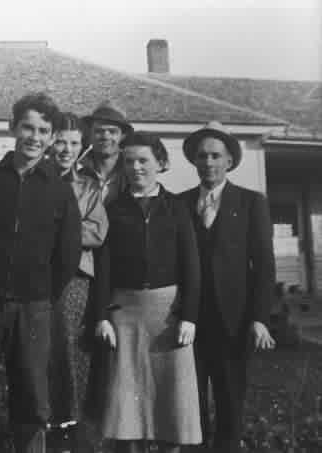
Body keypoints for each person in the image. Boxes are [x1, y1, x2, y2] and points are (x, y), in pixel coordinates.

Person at [0, 92, 81, 453]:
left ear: (52, 137)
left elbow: (67, 255)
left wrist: (39, 295)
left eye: (43, 130)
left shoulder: (59, 192)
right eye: (28, 127)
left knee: (31, 400)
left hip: (33, 308)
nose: (35, 137)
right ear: (12, 128)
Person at [94, 131, 202, 453]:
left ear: (160, 163)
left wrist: (189, 317)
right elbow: (105, 268)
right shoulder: (113, 209)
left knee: (172, 404)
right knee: (127, 405)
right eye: (129, 161)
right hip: (125, 316)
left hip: (169, 315)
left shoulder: (178, 208)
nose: (136, 167)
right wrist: (101, 317)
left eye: (143, 160)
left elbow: (192, 266)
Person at [179, 121, 276, 453]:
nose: (208, 162)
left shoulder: (251, 202)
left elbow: (264, 265)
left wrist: (260, 317)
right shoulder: (179, 203)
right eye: (202, 156)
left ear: (230, 161)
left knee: (230, 401)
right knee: (190, 402)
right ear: (193, 160)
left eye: (215, 156)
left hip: (232, 320)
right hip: (188, 321)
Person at [46, 112, 108, 450]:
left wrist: (52, 230)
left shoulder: (87, 185)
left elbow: (97, 231)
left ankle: (74, 428)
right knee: (40, 352)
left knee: (72, 353)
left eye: (74, 143)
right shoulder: (35, 179)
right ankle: (43, 425)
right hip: (37, 280)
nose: (66, 149)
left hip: (75, 281)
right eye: (60, 141)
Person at [77, 100, 134, 206]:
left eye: (112, 132)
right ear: (90, 134)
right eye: (99, 131)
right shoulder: (76, 170)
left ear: (122, 136)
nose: (106, 137)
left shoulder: (133, 171)